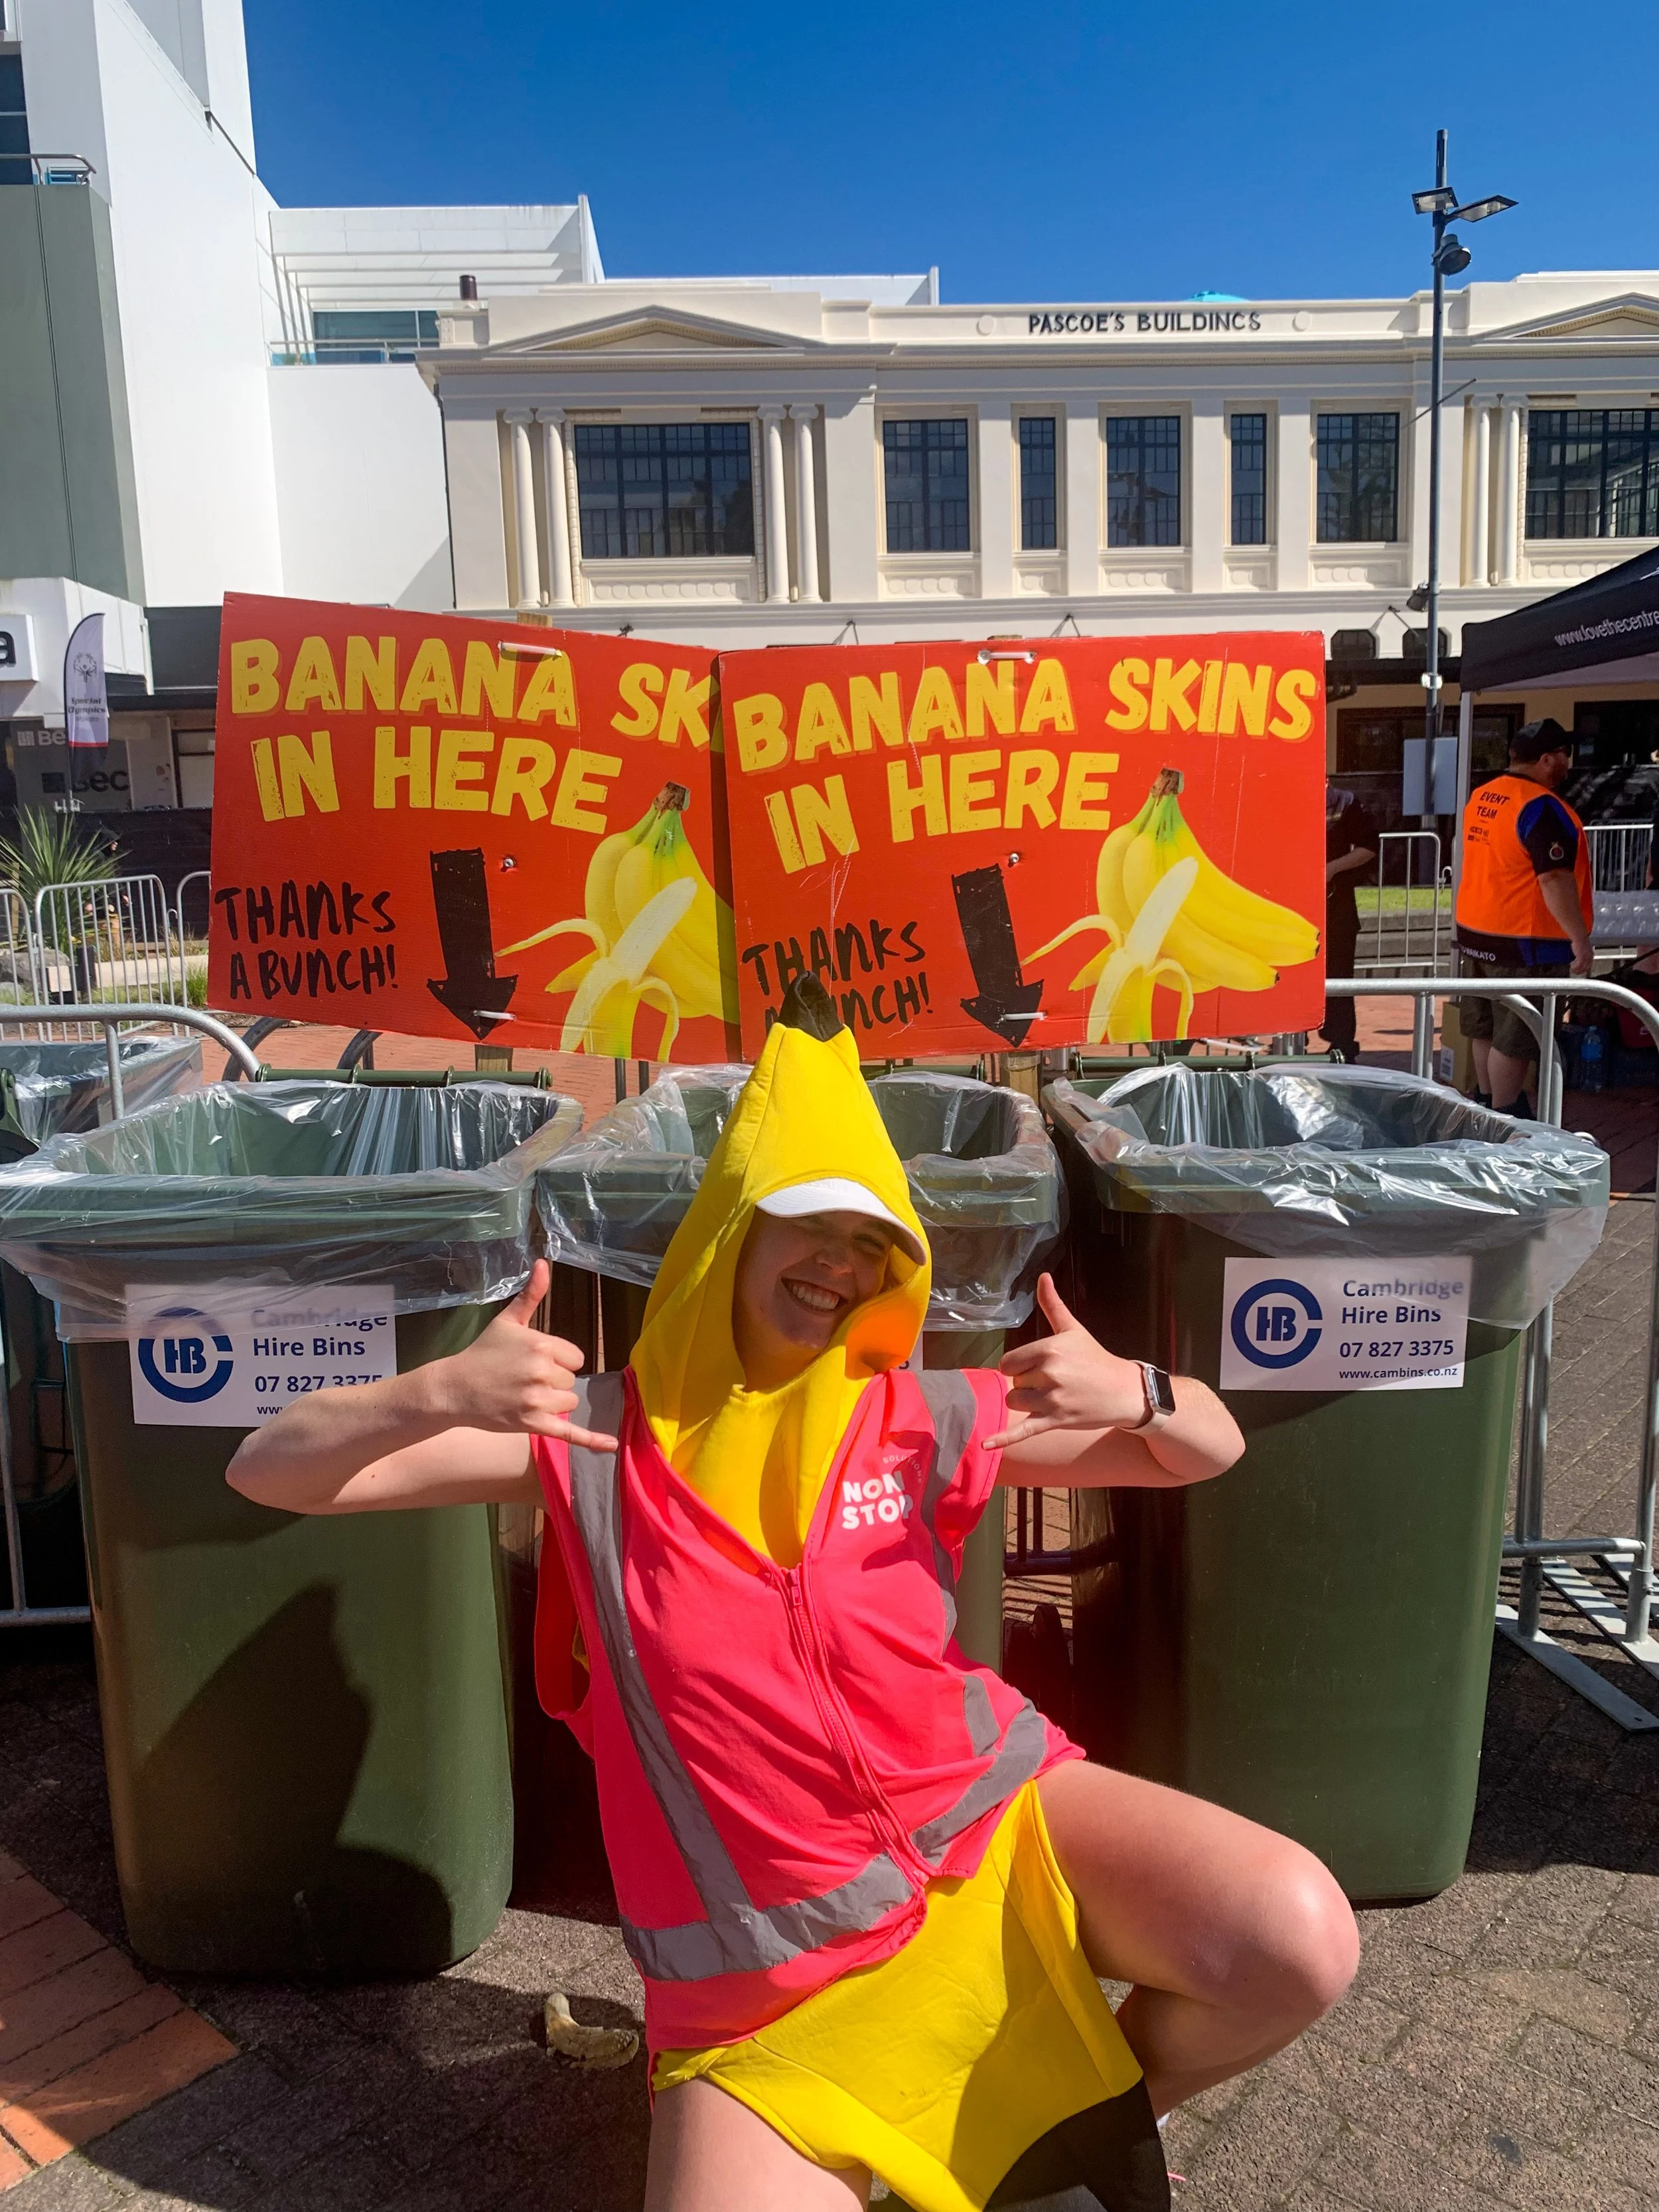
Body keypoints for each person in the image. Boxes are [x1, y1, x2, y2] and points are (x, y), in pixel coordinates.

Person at [226, 982, 1358, 2212]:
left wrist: (1136, 1382)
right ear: (732, 1231)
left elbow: (1210, 1446)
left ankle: (1063, 2126)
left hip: (989, 1854)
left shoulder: (914, 1411)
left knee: (1298, 1934)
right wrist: (430, 1392)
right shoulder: (600, 1439)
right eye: (810, 1219)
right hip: (767, 1985)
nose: (843, 1259)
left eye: (877, 1240)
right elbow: (271, 1469)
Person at [1455, 717, 1593, 1114]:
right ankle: (1505, 1115)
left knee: (1485, 1027)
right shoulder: (1542, 807)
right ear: (1547, 759)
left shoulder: (1484, 795)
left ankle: (1485, 1102)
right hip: (1526, 942)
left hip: (1478, 933)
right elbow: (1553, 879)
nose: (1569, 763)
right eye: (1565, 755)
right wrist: (1579, 939)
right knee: (1515, 1038)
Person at [1320, 786, 1376, 1062]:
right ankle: (1289, 1037)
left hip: (1336, 908)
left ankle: (1342, 1044)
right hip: (1291, 908)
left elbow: (1369, 848)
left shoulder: (1346, 802)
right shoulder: (1283, 796)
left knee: (1339, 976)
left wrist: (1331, 869)